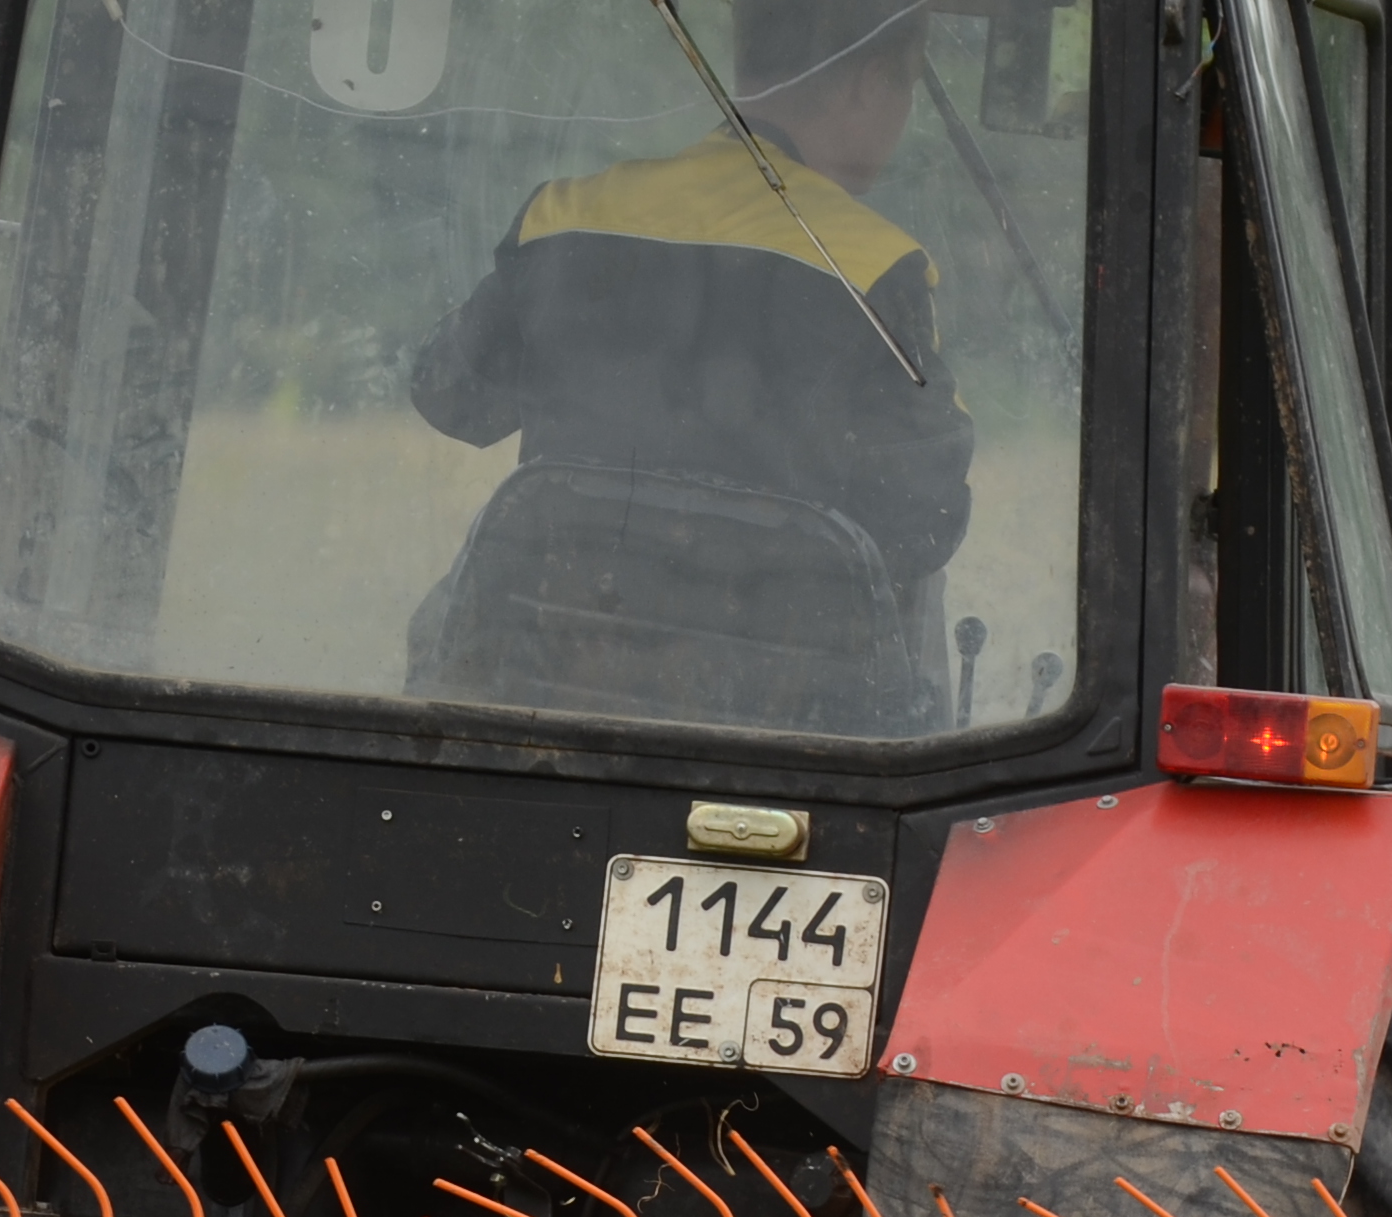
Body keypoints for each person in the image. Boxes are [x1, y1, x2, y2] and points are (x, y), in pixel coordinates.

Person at [403, 0, 974, 727]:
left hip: (555, 671)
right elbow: (927, 517)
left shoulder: (564, 214)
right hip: (784, 708)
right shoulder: (876, 267)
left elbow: (450, 396)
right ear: (869, 84)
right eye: (909, 88)